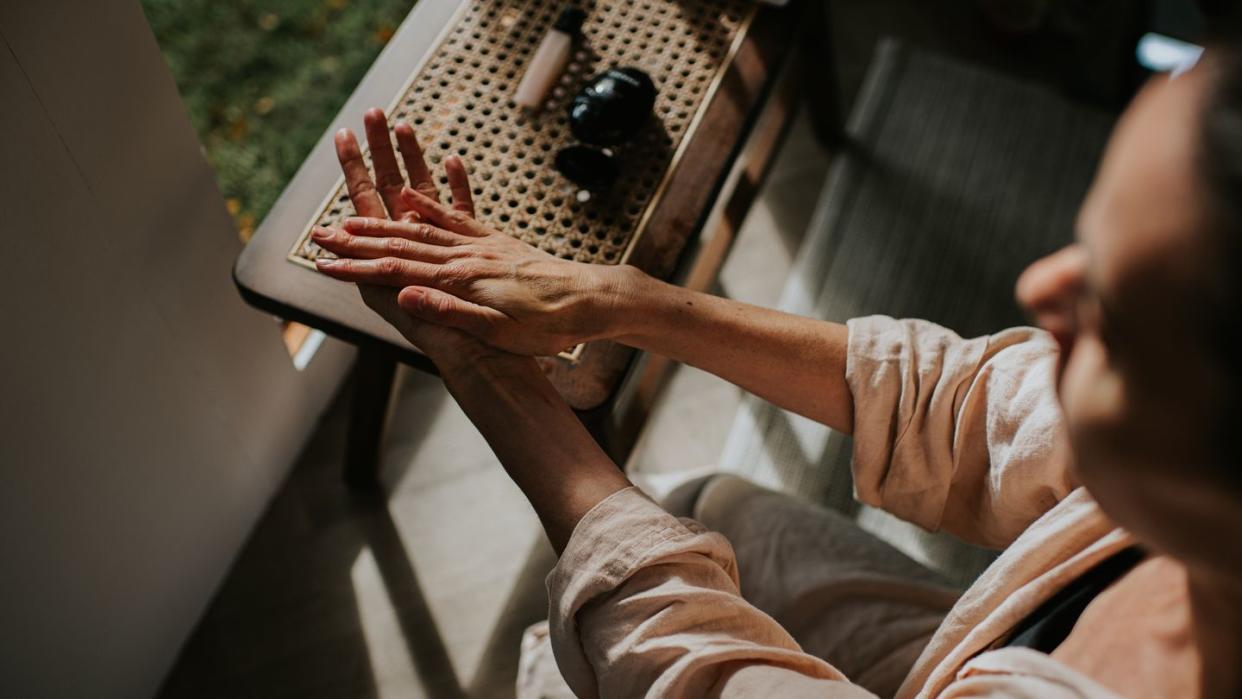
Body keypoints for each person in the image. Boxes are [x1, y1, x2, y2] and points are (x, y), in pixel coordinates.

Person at [308, 31, 1242, 699]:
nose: (1040, 285)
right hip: (975, 647)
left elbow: (697, 677)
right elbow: (968, 402)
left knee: (567, 656)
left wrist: (495, 383)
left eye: (1113, 313)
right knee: (708, 506)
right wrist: (624, 299)